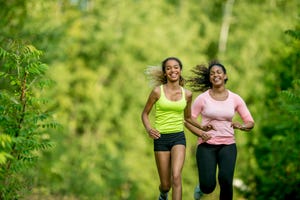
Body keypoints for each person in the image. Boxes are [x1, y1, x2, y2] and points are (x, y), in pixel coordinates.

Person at [141, 57, 210, 200]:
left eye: (176, 67)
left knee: (177, 176)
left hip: (178, 137)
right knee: (166, 185)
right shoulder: (157, 92)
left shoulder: (187, 94)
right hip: (161, 138)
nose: (173, 70)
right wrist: (149, 129)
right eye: (169, 68)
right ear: (165, 73)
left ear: (180, 70)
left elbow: (188, 118)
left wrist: (202, 128)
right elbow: (145, 114)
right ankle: (163, 194)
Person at [184, 60, 255, 200]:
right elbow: (188, 121)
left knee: (226, 180)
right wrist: (201, 133)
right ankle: (201, 187)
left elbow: (250, 122)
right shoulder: (202, 99)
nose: (215, 75)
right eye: (212, 73)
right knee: (208, 186)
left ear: (225, 76)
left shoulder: (235, 99)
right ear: (209, 78)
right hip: (206, 146)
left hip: (228, 145)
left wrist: (242, 126)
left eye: (218, 72)